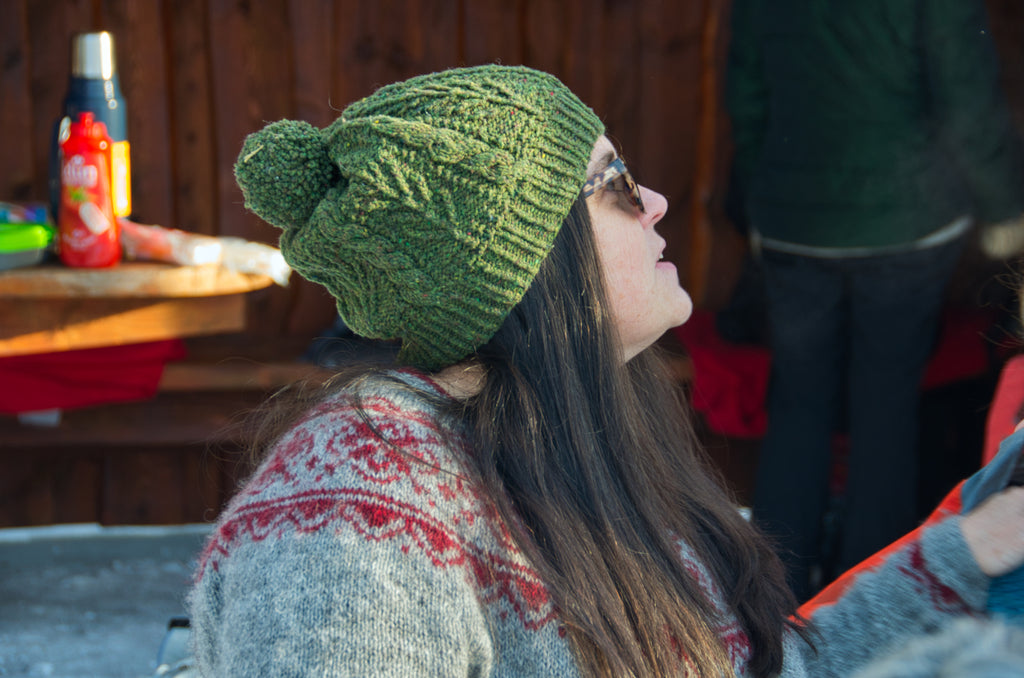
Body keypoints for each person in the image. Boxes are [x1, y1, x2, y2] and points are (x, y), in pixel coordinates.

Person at [187, 65, 1024, 677]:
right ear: (520, 260)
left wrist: (972, 549)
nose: (654, 201)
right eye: (615, 183)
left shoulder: (574, 459)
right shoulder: (358, 506)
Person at [726, 0, 1024, 598]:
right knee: (885, 412)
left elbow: (749, 95)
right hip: (906, 226)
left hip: (795, 222)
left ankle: (772, 601)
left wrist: (756, 202)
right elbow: (966, 96)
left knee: (797, 409)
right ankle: (865, 603)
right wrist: (1004, 206)